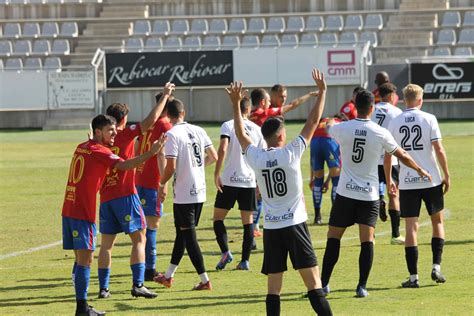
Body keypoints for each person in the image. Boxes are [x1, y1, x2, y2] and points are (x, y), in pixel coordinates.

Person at [227, 69, 333, 316]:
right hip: (295, 225)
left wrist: (235, 105)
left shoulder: (256, 157)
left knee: (274, 289)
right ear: (282, 136)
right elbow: (312, 123)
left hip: (272, 228)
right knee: (314, 284)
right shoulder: (291, 152)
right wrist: (322, 93)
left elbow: (241, 135)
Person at [320, 89, 431, 298]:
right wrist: (420, 169)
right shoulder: (380, 132)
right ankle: (361, 287)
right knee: (367, 240)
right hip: (368, 196)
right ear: (372, 108)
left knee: (333, 238)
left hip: (345, 193)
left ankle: (324, 284)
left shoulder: (343, 128)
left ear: (354, 106)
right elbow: (402, 154)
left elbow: (328, 127)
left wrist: (329, 122)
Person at [62, 114, 164, 316]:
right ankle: (82, 308)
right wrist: (151, 152)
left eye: (116, 129)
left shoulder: (81, 146)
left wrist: (93, 140)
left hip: (69, 208)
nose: (115, 133)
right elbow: (125, 165)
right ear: (98, 132)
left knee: (83, 258)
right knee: (85, 260)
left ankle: (86, 301)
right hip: (83, 212)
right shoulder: (100, 151)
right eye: (110, 130)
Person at [96, 83, 175, 299]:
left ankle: (104, 289)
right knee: (140, 239)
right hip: (125, 194)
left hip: (105, 197)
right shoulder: (122, 135)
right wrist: (165, 97)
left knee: (106, 245)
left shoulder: (99, 142)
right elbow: (150, 121)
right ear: (122, 120)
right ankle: (138, 284)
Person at [385, 84, 450, 288]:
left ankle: (413, 278)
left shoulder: (395, 122)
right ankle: (436, 266)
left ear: (404, 100)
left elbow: (388, 155)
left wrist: (389, 180)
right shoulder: (429, 118)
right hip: (431, 179)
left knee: (411, 227)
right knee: (437, 222)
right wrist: (446, 174)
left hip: (407, 181)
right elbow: (438, 149)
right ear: (420, 100)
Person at [154, 98, 218, 290]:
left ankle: (205, 280)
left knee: (189, 238)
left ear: (167, 115)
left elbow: (171, 165)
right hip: (200, 191)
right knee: (182, 235)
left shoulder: (172, 134)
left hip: (184, 194)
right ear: (184, 112)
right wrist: (196, 167)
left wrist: (161, 183)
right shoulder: (199, 130)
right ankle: (168, 276)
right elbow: (213, 156)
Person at [213, 96, 266, 271]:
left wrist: (216, 173)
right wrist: (259, 182)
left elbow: (222, 148)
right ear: (249, 109)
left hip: (229, 179)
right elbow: (262, 156)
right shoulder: (257, 129)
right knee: (247, 222)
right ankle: (245, 261)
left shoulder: (228, 125)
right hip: (249, 181)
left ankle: (226, 251)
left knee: (218, 219)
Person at [135, 92, 174, 281]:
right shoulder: (165, 125)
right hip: (152, 181)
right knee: (152, 225)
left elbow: (137, 146)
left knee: (144, 226)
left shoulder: (148, 122)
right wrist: (163, 183)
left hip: (139, 178)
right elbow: (161, 154)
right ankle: (149, 270)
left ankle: (144, 267)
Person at [370, 83, 405, 245]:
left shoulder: (372, 109)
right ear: (392, 95)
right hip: (391, 158)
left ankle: (371, 235)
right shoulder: (397, 112)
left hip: (371, 158)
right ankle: (395, 235)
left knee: (371, 195)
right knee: (394, 193)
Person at [309, 114, 343, 225]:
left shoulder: (320, 123)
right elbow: (337, 166)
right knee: (337, 181)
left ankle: (317, 217)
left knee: (318, 182)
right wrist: (330, 180)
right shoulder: (339, 123)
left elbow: (311, 162)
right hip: (329, 141)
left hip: (314, 142)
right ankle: (336, 216)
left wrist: (311, 178)